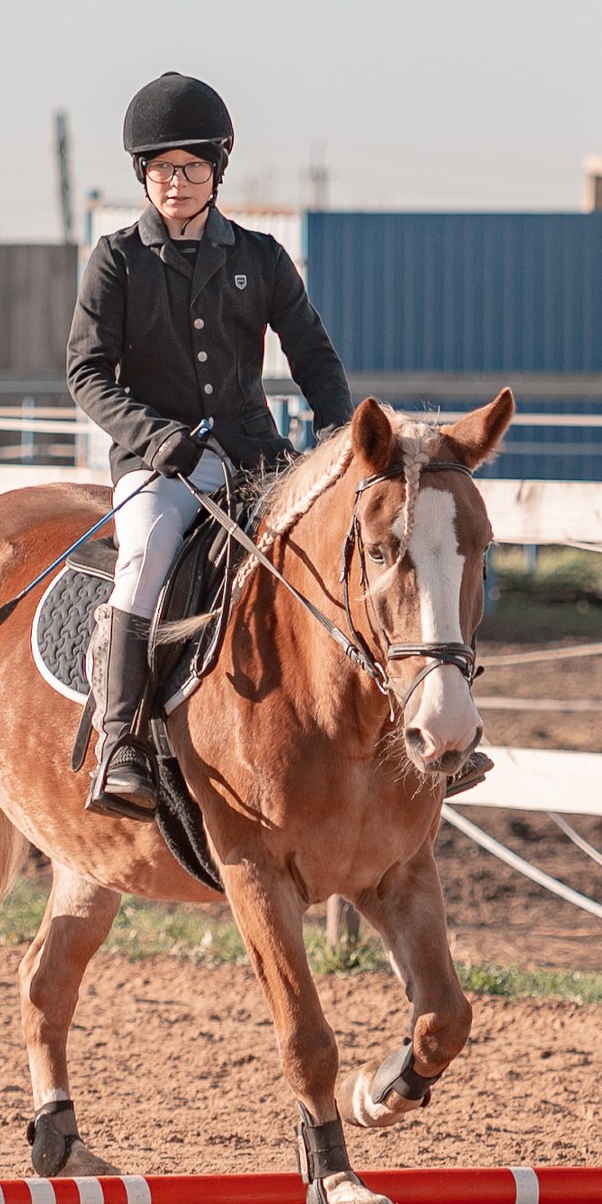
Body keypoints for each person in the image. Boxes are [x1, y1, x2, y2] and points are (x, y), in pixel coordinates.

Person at [66, 71, 353, 819]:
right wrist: (158, 440)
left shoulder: (259, 257)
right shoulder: (116, 260)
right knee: (145, 561)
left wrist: (336, 443)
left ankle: (394, 729)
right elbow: (87, 374)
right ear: (144, 175)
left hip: (256, 458)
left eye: (192, 167)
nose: (177, 182)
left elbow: (314, 356)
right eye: (162, 169)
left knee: (339, 556)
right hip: (159, 465)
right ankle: (120, 740)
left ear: (216, 172)